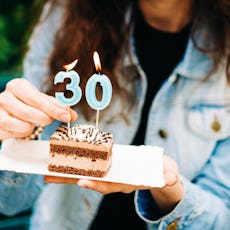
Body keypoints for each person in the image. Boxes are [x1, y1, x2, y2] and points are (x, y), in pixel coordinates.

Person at [0, 0, 230, 229]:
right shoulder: (65, 15)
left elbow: (223, 219)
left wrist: (171, 190)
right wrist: (19, 135)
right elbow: (10, 202)